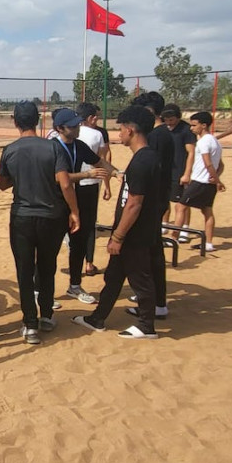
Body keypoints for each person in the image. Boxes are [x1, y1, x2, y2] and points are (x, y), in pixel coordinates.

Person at [73, 105, 161, 339]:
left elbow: (134, 203)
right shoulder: (143, 158)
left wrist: (118, 236)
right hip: (129, 232)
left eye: (120, 129)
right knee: (113, 277)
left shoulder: (144, 161)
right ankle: (98, 318)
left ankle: (146, 325)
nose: (118, 133)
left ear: (131, 130)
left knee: (140, 279)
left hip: (134, 234)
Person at [0, 102, 80, 345]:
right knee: (47, 266)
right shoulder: (53, 148)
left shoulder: (10, 150)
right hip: (51, 217)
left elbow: (3, 183)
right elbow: (65, 183)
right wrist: (74, 211)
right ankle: (46, 315)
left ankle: (29, 324)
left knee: (24, 270)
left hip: (22, 216)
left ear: (15, 122)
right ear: (38, 121)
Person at [51, 108, 118, 305]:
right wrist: (86, 175)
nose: (77, 127)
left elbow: (100, 162)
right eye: (72, 125)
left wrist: (117, 174)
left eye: (77, 123)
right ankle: (42, 290)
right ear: (60, 128)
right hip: (56, 201)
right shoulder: (52, 148)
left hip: (76, 199)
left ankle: (75, 285)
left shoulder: (79, 146)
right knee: (51, 248)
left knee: (78, 244)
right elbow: (57, 178)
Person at [130, 92, 174, 321]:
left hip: (151, 202)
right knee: (153, 252)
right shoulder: (163, 134)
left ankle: (153, 305)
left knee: (148, 254)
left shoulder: (155, 138)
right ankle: (157, 303)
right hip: (158, 198)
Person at [174, 111, 225, 252]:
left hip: (200, 182)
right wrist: (216, 178)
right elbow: (221, 165)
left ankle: (174, 237)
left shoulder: (203, 142)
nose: (191, 128)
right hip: (208, 182)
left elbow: (208, 163)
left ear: (203, 125)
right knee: (207, 211)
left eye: (194, 125)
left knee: (181, 206)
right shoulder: (216, 142)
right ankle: (208, 243)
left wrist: (216, 179)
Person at [75, 102, 113, 277]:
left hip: (70, 183)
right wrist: (107, 184)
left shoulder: (65, 131)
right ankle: (89, 264)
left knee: (71, 221)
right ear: (91, 118)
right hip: (90, 183)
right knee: (89, 225)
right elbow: (102, 159)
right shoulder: (97, 134)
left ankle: (73, 258)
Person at [161, 104, 196, 238]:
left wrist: (187, 173)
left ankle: (184, 228)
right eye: (166, 119)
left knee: (182, 201)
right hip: (166, 170)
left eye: (171, 119)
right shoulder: (163, 129)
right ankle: (165, 223)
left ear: (178, 117)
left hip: (180, 171)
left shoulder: (186, 130)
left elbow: (191, 152)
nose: (169, 122)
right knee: (163, 198)